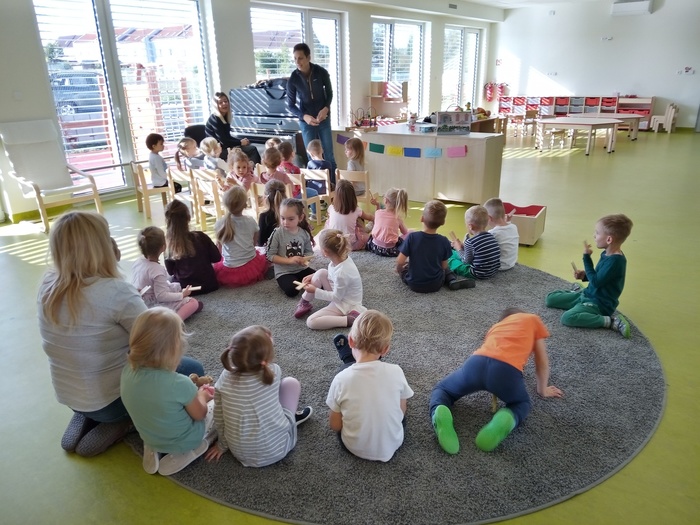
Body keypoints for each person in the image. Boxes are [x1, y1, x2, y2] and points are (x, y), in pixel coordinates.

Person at [37, 211, 203, 457]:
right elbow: (157, 341)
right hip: (111, 399)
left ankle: (86, 414)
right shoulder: (115, 291)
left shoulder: (47, 284)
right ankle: (123, 421)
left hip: (68, 394)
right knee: (193, 370)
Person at [430, 308, 564, 454]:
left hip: (476, 363)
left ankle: (439, 411)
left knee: (443, 390)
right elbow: (541, 361)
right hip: (507, 372)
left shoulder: (495, 327)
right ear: (521, 314)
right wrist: (542, 389)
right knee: (521, 403)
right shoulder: (532, 319)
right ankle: (506, 417)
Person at [121, 308, 217, 475]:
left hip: (148, 435)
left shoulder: (127, 371)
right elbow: (199, 414)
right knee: (217, 405)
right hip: (185, 439)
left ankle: (153, 446)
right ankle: (189, 447)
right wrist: (202, 396)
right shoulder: (180, 383)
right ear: (174, 350)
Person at [204, 325, 312, 468]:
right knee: (291, 383)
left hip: (241, 453)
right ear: (265, 360)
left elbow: (219, 416)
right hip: (280, 446)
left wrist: (222, 445)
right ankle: (292, 420)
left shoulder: (223, 379)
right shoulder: (274, 371)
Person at [327, 310, 414, 462]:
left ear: (351, 341)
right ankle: (356, 358)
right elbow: (402, 410)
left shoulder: (341, 379)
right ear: (385, 349)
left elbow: (335, 425)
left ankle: (349, 359)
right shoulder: (396, 371)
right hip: (394, 442)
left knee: (345, 371)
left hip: (354, 447)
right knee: (401, 419)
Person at [545, 214, 633, 338]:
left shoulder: (615, 261)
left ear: (609, 239)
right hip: (588, 294)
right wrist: (585, 276)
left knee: (568, 318)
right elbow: (601, 278)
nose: (594, 236)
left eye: (597, 233)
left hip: (599, 303)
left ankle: (611, 322)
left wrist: (586, 258)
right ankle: (579, 292)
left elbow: (596, 282)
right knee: (550, 299)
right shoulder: (606, 253)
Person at [396, 200, 474, 293]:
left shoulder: (412, 237)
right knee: (447, 269)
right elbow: (444, 266)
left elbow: (400, 261)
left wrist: (400, 268)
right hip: (436, 284)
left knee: (405, 269)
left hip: (414, 284)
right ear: (443, 222)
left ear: (421, 218)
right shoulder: (444, 241)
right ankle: (451, 280)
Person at [294, 229, 366, 328]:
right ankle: (305, 302)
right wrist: (313, 275)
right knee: (320, 272)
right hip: (342, 294)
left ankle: (349, 320)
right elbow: (333, 274)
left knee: (311, 321)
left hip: (345, 303)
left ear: (325, 252)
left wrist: (315, 291)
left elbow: (336, 297)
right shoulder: (340, 259)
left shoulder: (341, 273)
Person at [131, 226, 202, 321]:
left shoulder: (138, 261)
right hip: (154, 305)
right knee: (193, 303)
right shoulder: (157, 270)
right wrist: (182, 295)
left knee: (174, 286)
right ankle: (174, 321)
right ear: (163, 247)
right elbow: (161, 296)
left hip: (141, 302)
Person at [287, 42, 336, 174]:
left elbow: (330, 93)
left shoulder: (321, 72)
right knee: (311, 157)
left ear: (308, 57)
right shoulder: (293, 79)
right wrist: (304, 117)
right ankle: (316, 184)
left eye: (300, 58)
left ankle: (333, 183)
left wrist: (326, 108)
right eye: (295, 59)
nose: (297, 62)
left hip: (323, 119)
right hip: (306, 122)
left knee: (329, 155)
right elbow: (291, 105)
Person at [213, 186, 269, 287]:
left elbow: (219, 247)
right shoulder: (250, 221)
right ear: (245, 205)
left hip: (228, 266)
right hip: (249, 265)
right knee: (262, 254)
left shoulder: (219, 223)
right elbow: (254, 243)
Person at [164, 200, 221, 295]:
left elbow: (170, 271)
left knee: (167, 279)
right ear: (188, 218)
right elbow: (217, 258)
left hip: (185, 288)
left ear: (167, 221)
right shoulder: (201, 236)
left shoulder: (169, 245)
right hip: (209, 285)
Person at [266, 198, 316, 297]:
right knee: (292, 290)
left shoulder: (304, 233)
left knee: (321, 279)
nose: (285, 222)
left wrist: (305, 260)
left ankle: (303, 281)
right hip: (284, 272)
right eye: (282, 218)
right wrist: (289, 261)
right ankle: (297, 282)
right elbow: (270, 256)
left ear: (300, 218)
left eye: (291, 219)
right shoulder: (277, 233)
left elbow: (309, 252)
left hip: (302, 269)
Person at [205, 91, 261, 164]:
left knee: (248, 146)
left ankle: (247, 168)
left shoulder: (224, 117)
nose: (224, 104)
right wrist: (240, 142)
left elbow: (227, 137)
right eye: (220, 102)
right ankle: (254, 169)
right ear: (216, 105)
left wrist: (240, 141)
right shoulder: (215, 119)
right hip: (218, 151)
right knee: (252, 149)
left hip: (224, 147)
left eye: (225, 101)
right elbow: (224, 141)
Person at [448, 205, 501, 280]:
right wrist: (463, 246)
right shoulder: (492, 237)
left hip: (477, 273)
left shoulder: (470, 242)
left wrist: (459, 248)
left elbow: (465, 261)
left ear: (470, 226)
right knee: (455, 253)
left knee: (450, 261)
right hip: (492, 271)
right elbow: (478, 251)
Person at [325, 179, 377, 251]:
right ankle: (367, 228)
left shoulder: (331, 208)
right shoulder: (356, 210)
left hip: (334, 244)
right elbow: (371, 217)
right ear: (353, 196)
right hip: (351, 245)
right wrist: (377, 215)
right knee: (359, 221)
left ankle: (366, 228)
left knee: (328, 221)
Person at [279, 140, 319, 219]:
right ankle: (314, 214)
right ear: (292, 154)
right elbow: (300, 186)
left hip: (284, 194)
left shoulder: (279, 167)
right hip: (296, 194)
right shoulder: (295, 169)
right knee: (315, 192)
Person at [366, 188, 409, 257]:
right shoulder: (398, 217)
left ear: (385, 200)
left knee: (371, 236)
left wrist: (377, 205)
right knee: (403, 239)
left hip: (374, 247)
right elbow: (405, 232)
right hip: (390, 250)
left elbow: (377, 219)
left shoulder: (378, 212)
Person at [484, 198, 519, 271]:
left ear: (489, 218)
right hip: (511, 263)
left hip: (498, 266)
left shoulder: (492, 233)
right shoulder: (513, 227)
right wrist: (508, 221)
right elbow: (505, 231)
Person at [257, 179, 287, 249]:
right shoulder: (293, 212)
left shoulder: (264, 217)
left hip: (273, 253)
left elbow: (260, 243)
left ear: (265, 197)